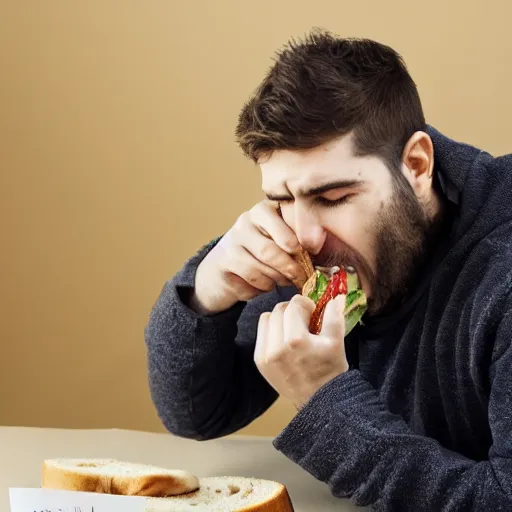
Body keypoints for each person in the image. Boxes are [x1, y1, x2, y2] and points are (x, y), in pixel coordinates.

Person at [144, 29, 512, 510]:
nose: (307, 236)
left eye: (334, 198)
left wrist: (326, 402)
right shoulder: (319, 248)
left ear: (417, 165)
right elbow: (197, 415)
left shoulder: (500, 275)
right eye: (281, 199)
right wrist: (206, 295)